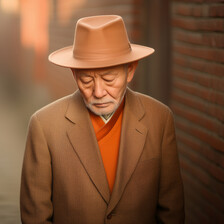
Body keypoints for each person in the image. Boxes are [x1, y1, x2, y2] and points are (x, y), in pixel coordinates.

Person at [20, 15, 184, 223]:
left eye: (109, 78)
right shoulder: (45, 126)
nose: (98, 92)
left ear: (130, 70)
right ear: (74, 74)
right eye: (86, 79)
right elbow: (35, 217)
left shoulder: (159, 119)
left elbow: (171, 212)